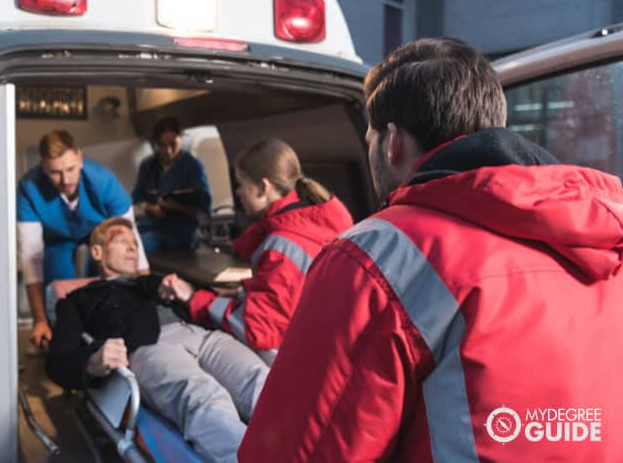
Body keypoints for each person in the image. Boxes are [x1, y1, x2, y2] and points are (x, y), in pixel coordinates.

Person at [239, 37, 623, 461]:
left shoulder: (374, 258)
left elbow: (301, 452)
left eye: (368, 137)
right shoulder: (605, 245)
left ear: (391, 142)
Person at [46, 217, 268, 463]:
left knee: (261, 381)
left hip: (202, 335)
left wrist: (188, 293)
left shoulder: (156, 284)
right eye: (122, 241)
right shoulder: (78, 299)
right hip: (148, 348)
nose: (133, 247)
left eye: (134, 243)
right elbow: (58, 360)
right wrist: (92, 362)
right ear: (97, 252)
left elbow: (206, 302)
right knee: (203, 397)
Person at [162, 139, 353, 364]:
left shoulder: (280, 246)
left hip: (301, 359)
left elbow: (258, 331)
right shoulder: (322, 219)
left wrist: (196, 298)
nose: (238, 192)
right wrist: (242, 293)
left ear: (264, 187)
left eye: (241, 183)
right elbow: (294, 293)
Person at [17, 130, 149, 347]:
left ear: (80, 158)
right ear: (43, 167)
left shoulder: (103, 181)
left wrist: (146, 293)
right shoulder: (28, 189)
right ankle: (61, 337)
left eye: (70, 169)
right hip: (56, 240)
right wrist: (39, 320)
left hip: (98, 233)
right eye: (55, 173)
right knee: (58, 288)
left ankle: (106, 336)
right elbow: (31, 258)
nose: (65, 180)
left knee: (106, 278)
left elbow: (132, 243)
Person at [132, 117, 212, 253]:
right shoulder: (148, 165)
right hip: (148, 227)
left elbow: (204, 209)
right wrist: (151, 207)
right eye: (162, 145)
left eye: (172, 144)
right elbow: (137, 196)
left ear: (181, 138)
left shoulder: (192, 166)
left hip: (180, 234)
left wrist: (175, 206)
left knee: (136, 249)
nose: (168, 150)